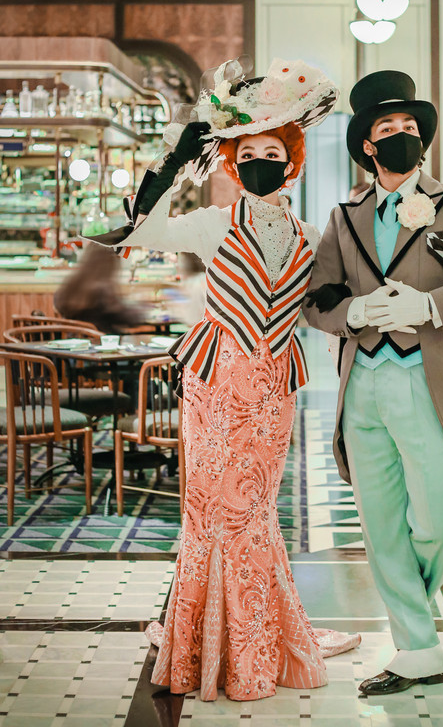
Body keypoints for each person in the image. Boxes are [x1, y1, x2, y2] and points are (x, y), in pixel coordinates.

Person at [87, 57, 359, 702]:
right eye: (250, 154)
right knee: (213, 512)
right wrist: (179, 155)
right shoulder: (214, 223)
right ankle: (207, 638)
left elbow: (322, 302)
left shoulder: (309, 235)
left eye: (274, 153)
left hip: (272, 391)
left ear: (291, 162)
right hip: (216, 385)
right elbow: (146, 228)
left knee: (256, 511)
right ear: (235, 163)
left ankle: (255, 631)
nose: (262, 162)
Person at [303, 70, 443, 696]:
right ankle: (418, 648)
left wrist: (431, 305)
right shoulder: (344, 216)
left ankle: (412, 610)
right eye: (387, 127)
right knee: (380, 523)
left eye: (409, 126)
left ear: (422, 139)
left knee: (440, 512)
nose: (401, 134)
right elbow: (316, 300)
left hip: (424, 379)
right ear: (367, 145)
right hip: (361, 386)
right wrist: (354, 311)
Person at [54, 242, 146, 334]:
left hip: (75, 339)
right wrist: (142, 310)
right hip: (101, 339)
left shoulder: (72, 283)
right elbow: (125, 317)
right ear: (109, 263)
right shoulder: (102, 289)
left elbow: (58, 304)